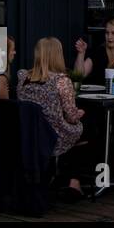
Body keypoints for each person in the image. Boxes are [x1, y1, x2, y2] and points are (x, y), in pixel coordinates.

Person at [17, 37, 89, 197]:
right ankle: (73, 181)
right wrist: (81, 113)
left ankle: (62, 177)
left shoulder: (23, 77)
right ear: (58, 55)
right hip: (53, 135)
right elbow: (71, 117)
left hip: (28, 135)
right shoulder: (61, 81)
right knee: (86, 128)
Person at [74, 16, 114, 87]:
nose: (109, 37)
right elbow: (79, 76)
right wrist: (81, 53)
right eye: (107, 33)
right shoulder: (99, 52)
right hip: (97, 96)